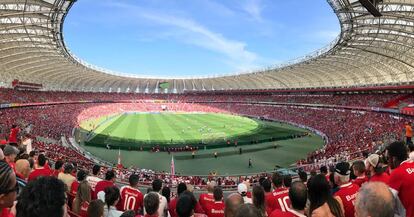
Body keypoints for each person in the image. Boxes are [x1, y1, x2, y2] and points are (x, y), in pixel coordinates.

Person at [387, 141, 414, 217]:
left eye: (388, 158)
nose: (388, 161)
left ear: (394, 158)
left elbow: (387, 203)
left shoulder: (397, 173)